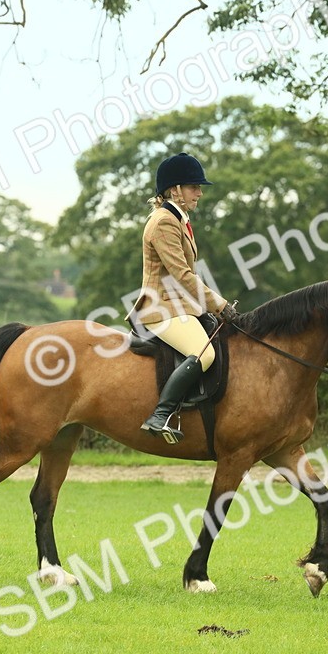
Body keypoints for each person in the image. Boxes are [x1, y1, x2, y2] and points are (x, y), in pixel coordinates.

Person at [129, 152, 238, 443]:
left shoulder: (178, 219)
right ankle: (160, 415)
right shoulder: (164, 222)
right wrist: (220, 304)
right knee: (205, 353)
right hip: (160, 309)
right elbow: (182, 275)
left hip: (179, 306)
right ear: (175, 189)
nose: (199, 193)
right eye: (194, 187)